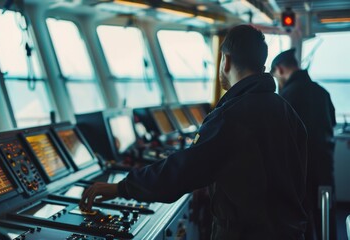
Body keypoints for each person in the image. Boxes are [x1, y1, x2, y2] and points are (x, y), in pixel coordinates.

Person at [80, 25, 308, 239]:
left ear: (225, 61)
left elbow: (182, 171)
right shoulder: (287, 111)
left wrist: (123, 187)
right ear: (263, 67)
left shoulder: (231, 116)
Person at [270, 49, 336, 240]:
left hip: (299, 172)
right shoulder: (322, 92)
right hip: (325, 168)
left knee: (301, 224)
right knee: (326, 218)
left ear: (280, 70)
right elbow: (331, 124)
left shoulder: (285, 98)